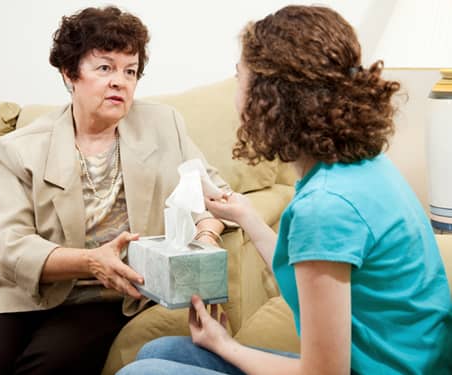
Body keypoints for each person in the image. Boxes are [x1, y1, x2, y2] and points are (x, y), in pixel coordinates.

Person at [117, 5, 452, 375]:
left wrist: (225, 345)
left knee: (139, 372)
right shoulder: (361, 168)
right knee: (158, 350)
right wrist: (247, 217)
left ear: (267, 98)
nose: (235, 90)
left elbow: (323, 373)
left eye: (238, 76)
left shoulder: (325, 207)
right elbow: (313, 283)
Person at [0, 6, 230, 374]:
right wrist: (90, 260)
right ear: (70, 74)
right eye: (105, 68)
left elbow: (214, 195)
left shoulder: (164, 125)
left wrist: (207, 234)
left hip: (105, 295)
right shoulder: (20, 147)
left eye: (130, 71)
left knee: (48, 364)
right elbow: (8, 243)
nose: (120, 81)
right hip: (22, 291)